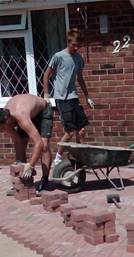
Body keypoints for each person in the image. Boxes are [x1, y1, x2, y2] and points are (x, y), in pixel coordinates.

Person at [43, 28, 94, 169]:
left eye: (79, 45)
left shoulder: (78, 58)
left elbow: (80, 78)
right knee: (70, 131)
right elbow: (46, 74)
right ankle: (58, 159)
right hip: (61, 98)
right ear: (68, 41)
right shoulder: (58, 56)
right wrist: (46, 96)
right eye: (74, 45)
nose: (76, 48)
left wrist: (87, 96)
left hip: (73, 96)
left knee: (81, 130)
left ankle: (83, 160)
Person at [0, 94, 52, 191]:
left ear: (6, 119)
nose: (3, 131)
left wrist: (31, 165)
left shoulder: (20, 115)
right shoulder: (4, 120)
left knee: (44, 146)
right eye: (0, 130)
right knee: (22, 142)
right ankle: (23, 182)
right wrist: (19, 163)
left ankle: (45, 181)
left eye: (2, 129)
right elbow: (18, 142)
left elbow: (38, 142)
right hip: (28, 113)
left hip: (42, 111)